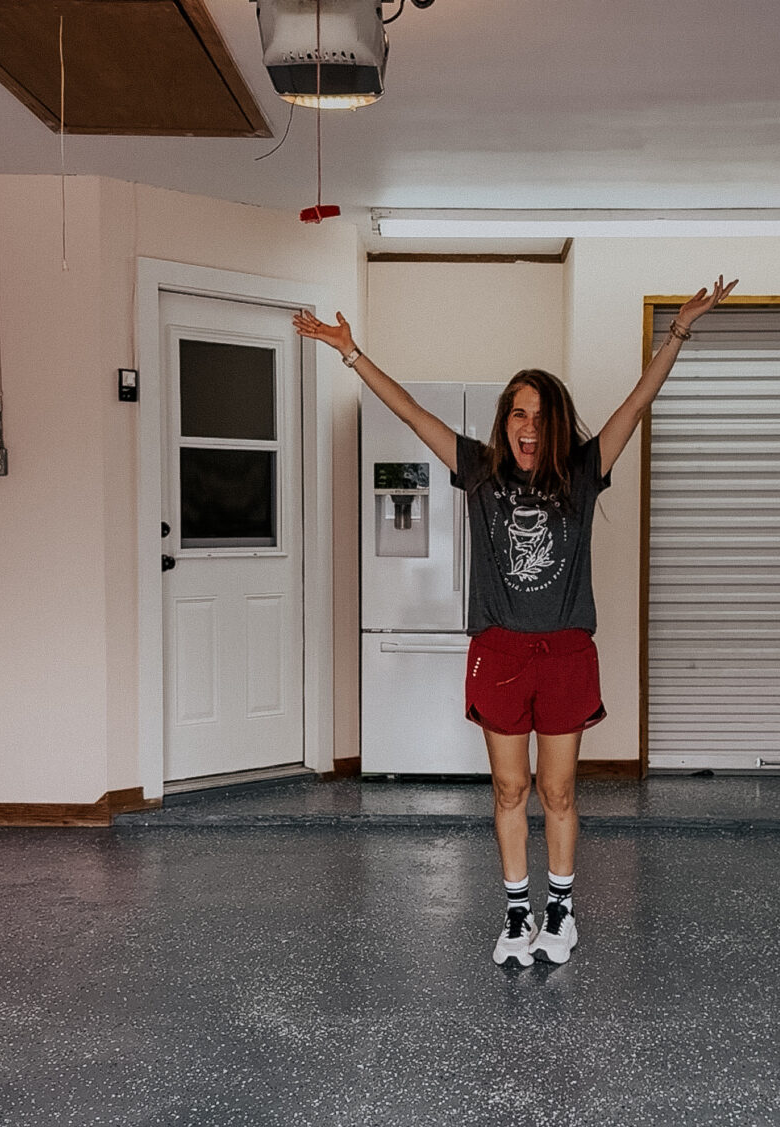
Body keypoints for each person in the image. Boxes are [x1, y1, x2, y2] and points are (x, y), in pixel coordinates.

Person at [294, 275, 737, 968]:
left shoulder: (584, 472)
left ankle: (561, 913)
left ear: (555, 422)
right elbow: (411, 414)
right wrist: (352, 354)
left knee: (557, 789)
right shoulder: (478, 469)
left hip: (564, 651)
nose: (527, 426)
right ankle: (516, 912)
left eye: (538, 415)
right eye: (517, 414)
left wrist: (677, 329)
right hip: (498, 649)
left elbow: (636, 403)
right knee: (509, 788)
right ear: (505, 421)